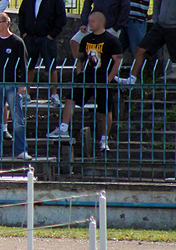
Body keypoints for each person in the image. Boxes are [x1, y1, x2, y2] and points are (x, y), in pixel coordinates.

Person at [48, 12, 122, 153]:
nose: (89, 24)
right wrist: (79, 74)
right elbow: (80, 59)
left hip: (102, 77)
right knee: (70, 98)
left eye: (92, 21)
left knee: (105, 109)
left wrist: (109, 78)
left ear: (100, 22)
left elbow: (118, 61)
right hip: (87, 76)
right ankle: (63, 128)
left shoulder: (111, 40)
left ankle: (104, 140)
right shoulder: (86, 39)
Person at [18, 0, 68, 108]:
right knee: (29, 65)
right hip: (30, 37)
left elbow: (61, 19)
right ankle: (26, 94)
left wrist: (52, 35)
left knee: (51, 66)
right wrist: (24, 33)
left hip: (47, 38)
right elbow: (22, 14)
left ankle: (54, 94)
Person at [0, 13, 31, 160]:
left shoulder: (17, 42)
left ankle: (21, 150)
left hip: (13, 84)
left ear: (6, 23)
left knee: (17, 119)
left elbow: (23, 64)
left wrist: (23, 84)